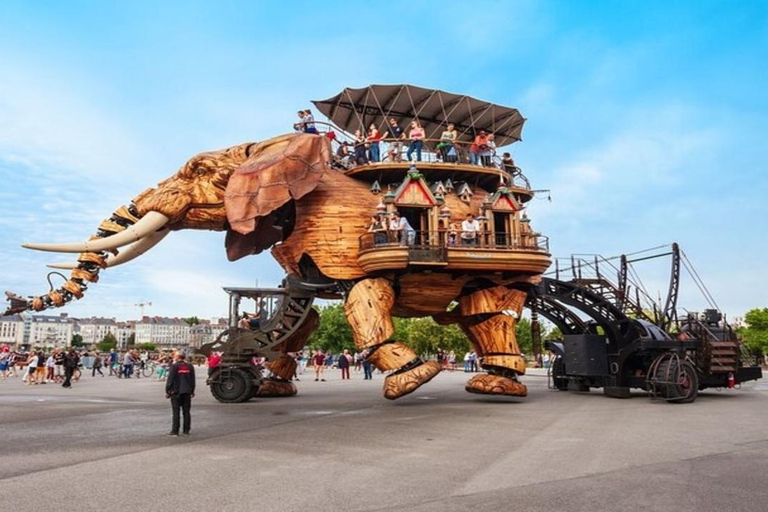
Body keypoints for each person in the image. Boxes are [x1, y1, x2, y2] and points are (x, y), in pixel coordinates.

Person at [165, 351, 195, 436]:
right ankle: (186, 430)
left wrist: (167, 391)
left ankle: (175, 430)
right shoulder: (190, 366)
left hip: (176, 391)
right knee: (186, 411)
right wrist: (192, 390)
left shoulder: (174, 366)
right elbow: (192, 380)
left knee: (176, 411)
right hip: (187, 391)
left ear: (177, 357)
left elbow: (170, 380)